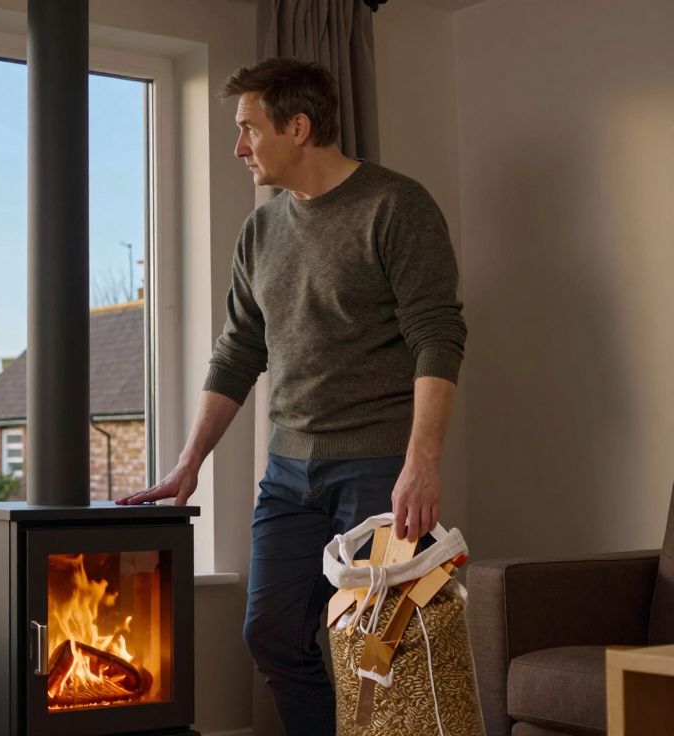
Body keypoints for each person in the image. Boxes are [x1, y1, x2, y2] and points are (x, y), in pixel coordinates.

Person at [117, 57, 466, 734]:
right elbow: (238, 353)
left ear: (298, 127)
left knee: (377, 656)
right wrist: (189, 463)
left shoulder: (395, 207)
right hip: (288, 474)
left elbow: (437, 336)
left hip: (377, 466)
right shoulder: (261, 231)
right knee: (271, 635)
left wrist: (421, 462)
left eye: (249, 128)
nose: (239, 146)